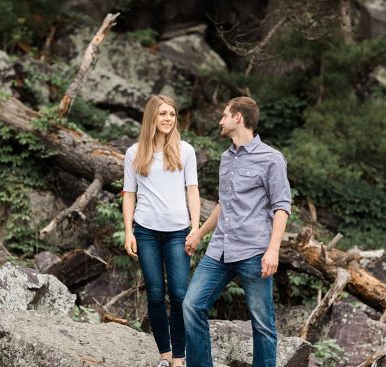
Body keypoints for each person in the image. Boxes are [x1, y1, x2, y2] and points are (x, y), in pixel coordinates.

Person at [183, 96, 291, 367]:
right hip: (219, 249)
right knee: (191, 305)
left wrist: (273, 250)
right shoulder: (226, 157)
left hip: (254, 252)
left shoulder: (271, 159)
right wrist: (200, 234)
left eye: (224, 115)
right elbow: (224, 205)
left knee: (262, 324)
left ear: (238, 118)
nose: (220, 121)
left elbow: (281, 207)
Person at [123, 95, 200, 367]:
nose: (168, 118)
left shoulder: (185, 150)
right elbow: (129, 194)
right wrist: (128, 231)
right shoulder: (135, 153)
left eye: (172, 114)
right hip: (145, 232)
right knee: (155, 294)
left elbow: (193, 191)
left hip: (179, 232)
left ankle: (180, 358)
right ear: (151, 118)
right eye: (163, 114)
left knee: (179, 295)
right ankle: (165, 357)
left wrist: (196, 228)